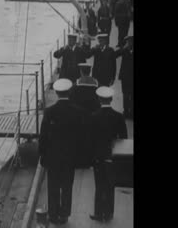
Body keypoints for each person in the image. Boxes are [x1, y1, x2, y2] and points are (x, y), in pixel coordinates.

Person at [40, 79, 88, 225]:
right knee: (67, 186)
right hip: (70, 157)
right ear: (69, 92)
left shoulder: (49, 112)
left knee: (53, 186)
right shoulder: (78, 112)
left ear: (56, 92)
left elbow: (43, 137)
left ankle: (53, 214)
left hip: (53, 157)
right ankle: (64, 214)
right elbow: (82, 137)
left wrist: (42, 155)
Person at [89, 87, 128, 222]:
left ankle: (99, 213)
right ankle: (109, 213)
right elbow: (124, 138)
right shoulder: (118, 117)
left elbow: (91, 139)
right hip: (112, 156)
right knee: (110, 185)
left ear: (99, 100)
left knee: (99, 185)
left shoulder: (94, 116)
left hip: (98, 157)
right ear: (111, 99)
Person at [115, 35, 133, 118]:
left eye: (131, 41)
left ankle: (132, 112)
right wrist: (123, 48)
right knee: (125, 94)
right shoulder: (124, 50)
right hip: (125, 77)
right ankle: (126, 111)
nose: (130, 43)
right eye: (128, 42)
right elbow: (115, 55)